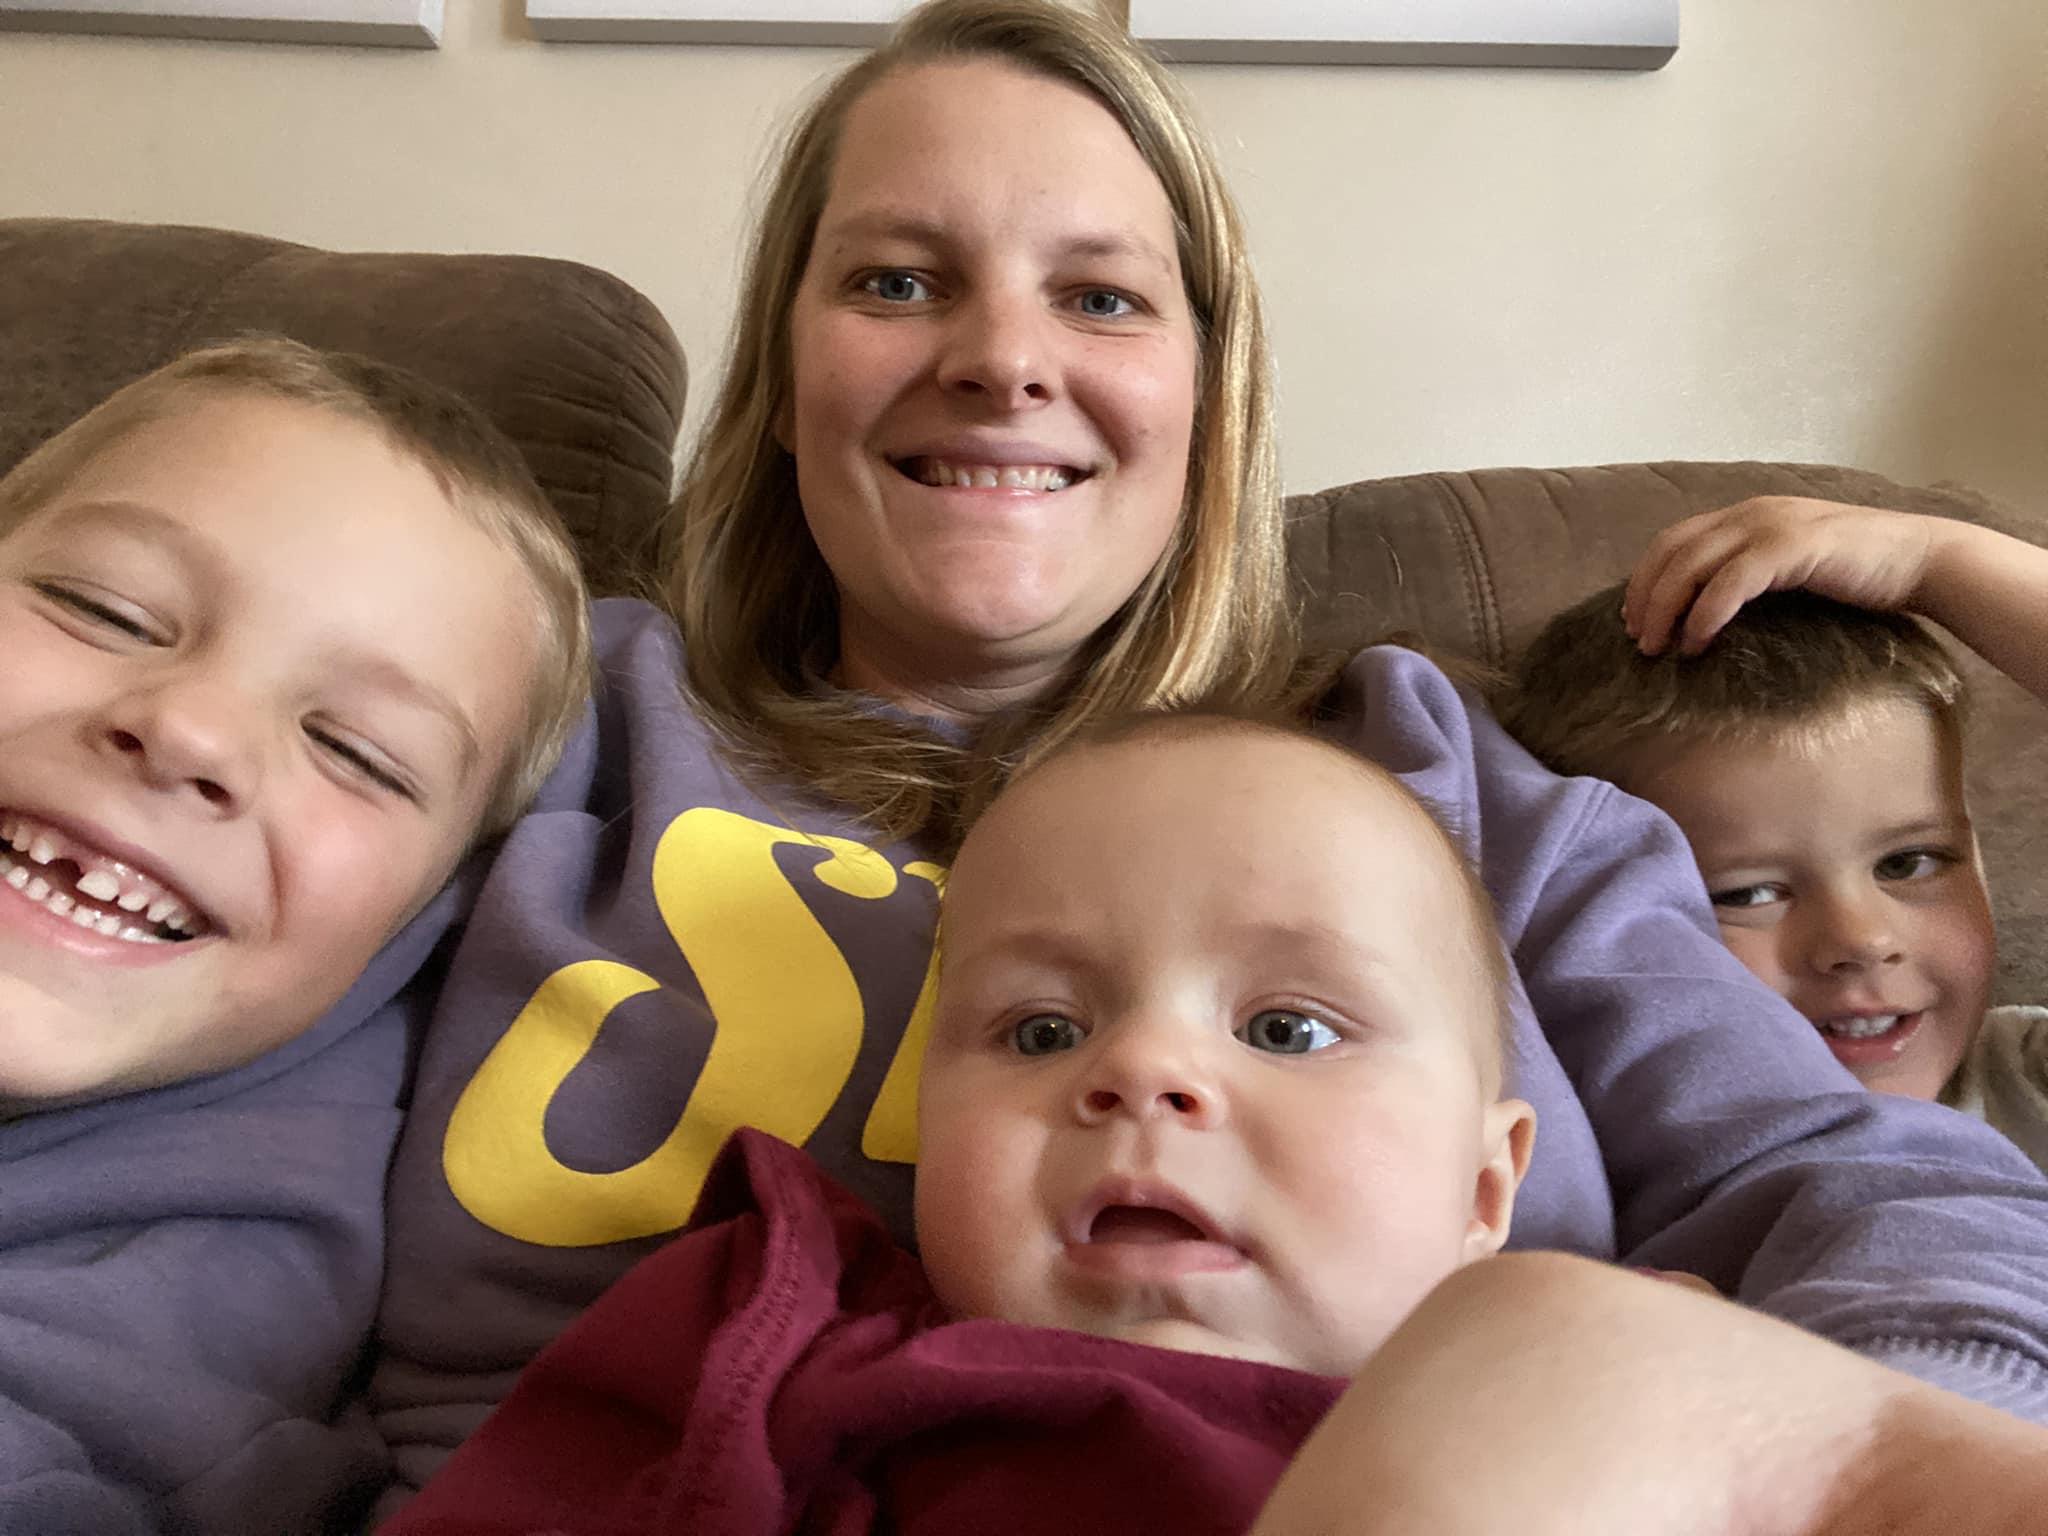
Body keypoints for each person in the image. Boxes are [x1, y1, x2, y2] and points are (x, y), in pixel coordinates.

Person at [346, 0, 2048, 1518]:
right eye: (895, 281)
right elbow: (220, 1154)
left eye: (1098, 295)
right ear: (784, 381)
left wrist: (1892, 1462)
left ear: (1207, 398)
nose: (1001, 358)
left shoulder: (1438, 783)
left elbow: (1859, 1184)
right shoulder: (549, 716)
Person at [379, 709, 1537, 1534]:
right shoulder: (778, 1340)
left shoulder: (1564, 1415)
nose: (1140, 1067)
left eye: (1286, 1029)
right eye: (1041, 1031)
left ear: (1484, 1190)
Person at [0, 336, 591, 1534]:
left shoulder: (213, 1294)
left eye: (357, 753)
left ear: (418, 923)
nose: (192, 733)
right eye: (103, 610)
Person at [1500, 496, 2048, 1169]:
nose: (1861, 940)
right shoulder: (1582, 1158)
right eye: (1748, 894)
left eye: (1908, 862)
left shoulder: (2025, 1084)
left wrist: (1936, 561)